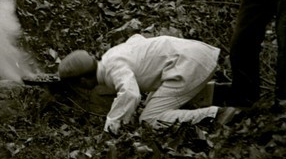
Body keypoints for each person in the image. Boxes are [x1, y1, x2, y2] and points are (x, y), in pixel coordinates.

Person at [58, 34, 236, 134]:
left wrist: (111, 126)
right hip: (195, 54)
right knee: (155, 100)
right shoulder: (111, 55)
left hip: (188, 65)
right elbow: (137, 38)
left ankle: (216, 115)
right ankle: (219, 93)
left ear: (83, 80)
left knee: (149, 119)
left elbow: (130, 94)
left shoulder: (113, 69)